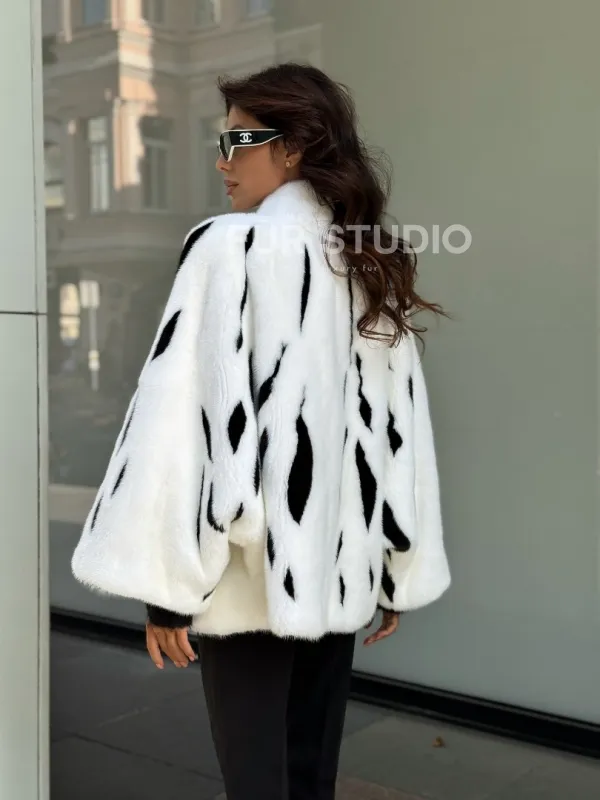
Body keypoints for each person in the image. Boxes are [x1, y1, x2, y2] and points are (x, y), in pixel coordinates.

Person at [71, 62, 451, 800]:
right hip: (339, 566)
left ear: (294, 147)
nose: (223, 161)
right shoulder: (366, 260)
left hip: (246, 577)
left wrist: (168, 586)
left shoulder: (230, 247)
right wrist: (396, 566)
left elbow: (182, 420)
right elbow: (398, 433)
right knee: (311, 774)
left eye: (237, 140)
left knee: (256, 781)